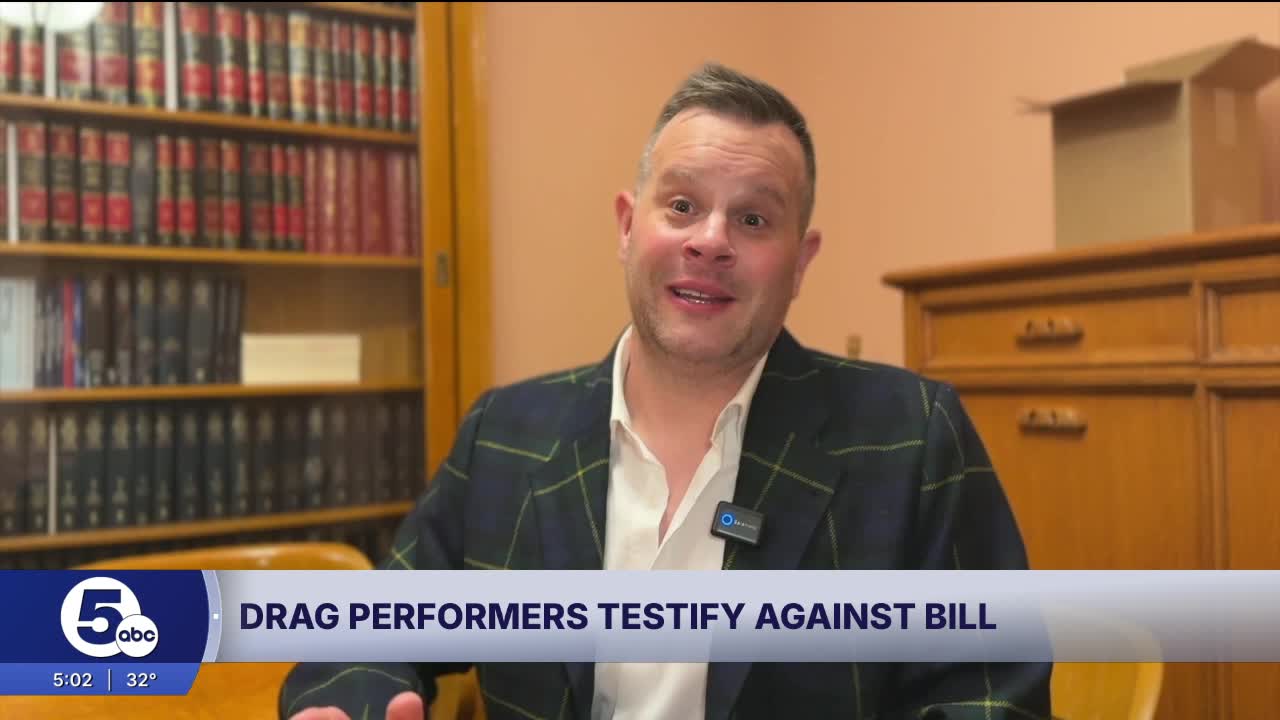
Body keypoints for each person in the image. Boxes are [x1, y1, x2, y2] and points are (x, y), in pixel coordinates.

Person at [281, 62, 1052, 720]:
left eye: (753, 219)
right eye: (682, 205)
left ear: (800, 262)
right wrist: (352, 703)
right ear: (627, 227)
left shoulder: (912, 441)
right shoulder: (505, 437)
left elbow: (990, 696)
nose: (710, 241)